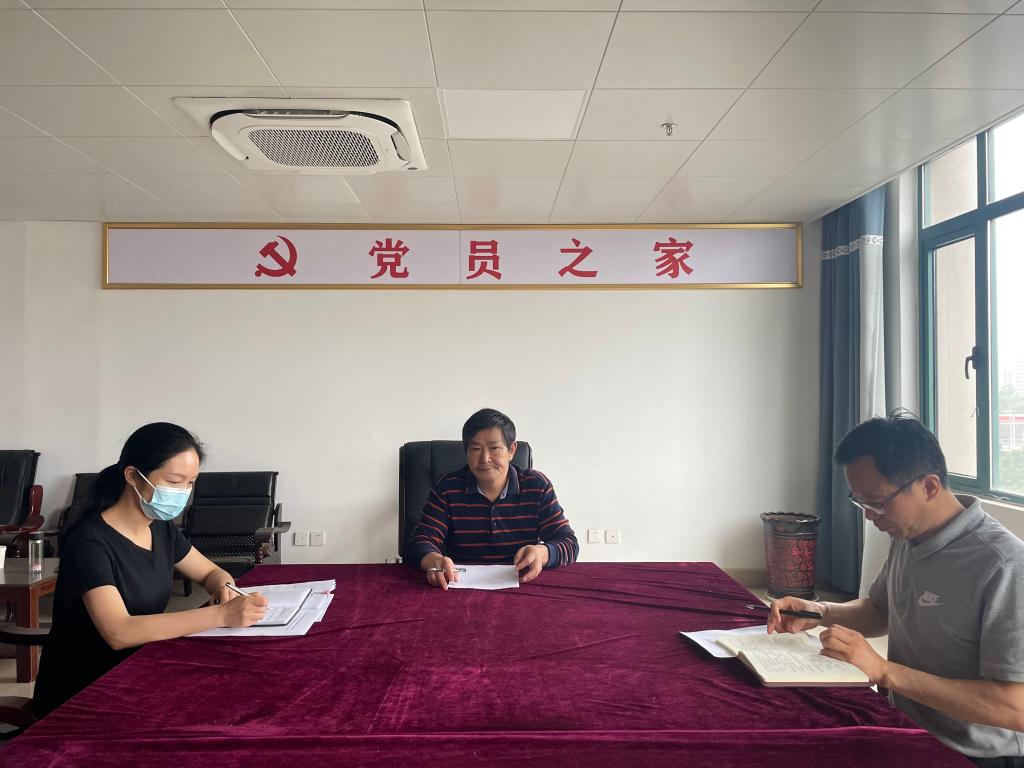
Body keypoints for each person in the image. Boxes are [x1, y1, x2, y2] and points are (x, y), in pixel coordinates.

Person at [768, 413, 1024, 767]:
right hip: (905, 725)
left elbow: (1015, 707)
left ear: (929, 487)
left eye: (877, 502)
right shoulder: (908, 534)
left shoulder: (1004, 565)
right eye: (860, 501)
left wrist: (885, 671)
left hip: (975, 755)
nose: (869, 515)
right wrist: (819, 612)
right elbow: (880, 611)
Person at [32, 422, 268, 716]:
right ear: (133, 476)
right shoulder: (89, 542)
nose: (183, 493)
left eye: (190, 483)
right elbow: (119, 631)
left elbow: (211, 573)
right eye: (174, 481)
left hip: (139, 669)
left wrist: (224, 587)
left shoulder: (160, 529)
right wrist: (220, 615)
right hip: (86, 692)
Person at [408, 408, 579, 589]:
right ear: (466, 452)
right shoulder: (447, 488)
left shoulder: (537, 486)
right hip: (460, 585)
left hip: (522, 583)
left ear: (511, 450)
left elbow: (569, 544)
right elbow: (420, 541)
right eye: (475, 449)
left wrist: (541, 552)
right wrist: (435, 561)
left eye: (494, 448)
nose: (485, 458)